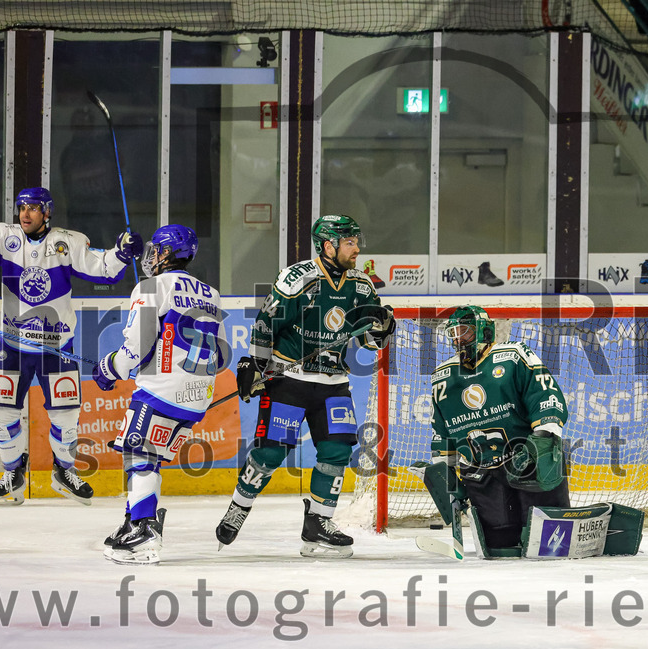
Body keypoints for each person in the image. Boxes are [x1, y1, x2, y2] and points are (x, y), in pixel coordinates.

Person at [0, 187, 143, 506]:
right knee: (3, 411)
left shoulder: (67, 242)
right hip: (13, 346)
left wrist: (122, 252)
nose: (25, 214)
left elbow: (102, 268)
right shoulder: (5, 237)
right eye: (21, 207)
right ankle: (13, 474)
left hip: (56, 347)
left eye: (33, 208)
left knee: (66, 416)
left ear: (47, 212)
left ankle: (63, 471)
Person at [214, 214, 395, 559]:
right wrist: (255, 364)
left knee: (338, 450)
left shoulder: (362, 286)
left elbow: (370, 342)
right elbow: (267, 324)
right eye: (349, 242)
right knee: (270, 453)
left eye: (356, 241)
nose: (357, 248)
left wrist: (382, 332)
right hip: (289, 380)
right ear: (328, 246)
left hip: (335, 382)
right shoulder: (297, 279)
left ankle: (318, 524)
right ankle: (239, 507)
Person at [94, 224, 226, 565]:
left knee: (139, 451)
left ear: (165, 253)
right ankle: (132, 522)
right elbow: (223, 355)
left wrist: (110, 368)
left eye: (155, 250)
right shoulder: (210, 294)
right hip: (197, 395)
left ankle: (144, 530)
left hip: (162, 389)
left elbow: (136, 344)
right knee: (146, 454)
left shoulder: (152, 286)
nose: (150, 255)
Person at [429, 305, 570, 552]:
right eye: (454, 334)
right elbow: (441, 431)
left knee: (549, 545)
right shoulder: (443, 377)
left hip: (526, 459)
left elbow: (545, 395)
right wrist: (446, 473)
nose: (458, 339)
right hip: (481, 471)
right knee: (498, 547)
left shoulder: (514, 356)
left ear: (483, 332)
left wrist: (543, 435)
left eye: (465, 332)